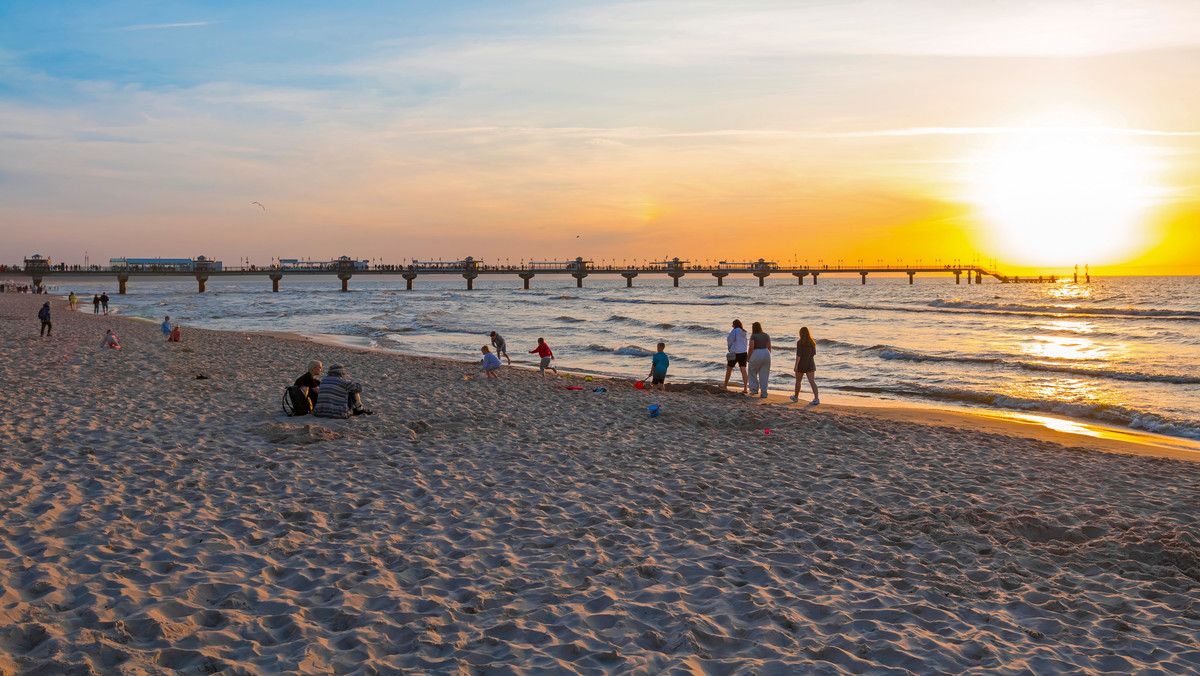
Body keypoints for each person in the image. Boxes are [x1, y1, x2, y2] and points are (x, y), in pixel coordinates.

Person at [790, 326, 820, 405]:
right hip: (810, 363)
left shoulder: (800, 342)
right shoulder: (812, 343)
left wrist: (796, 365)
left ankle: (796, 397)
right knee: (812, 381)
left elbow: (798, 355)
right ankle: (816, 398)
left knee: (798, 381)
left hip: (802, 364)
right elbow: (813, 354)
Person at [747, 321, 771, 398]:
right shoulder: (766, 335)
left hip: (756, 353)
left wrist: (748, 357)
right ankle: (764, 392)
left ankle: (754, 388)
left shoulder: (753, 336)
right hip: (766, 353)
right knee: (764, 374)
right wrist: (768, 354)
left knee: (751, 370)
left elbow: (751, 347)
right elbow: (769, 346)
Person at [724, 319, 749, 394]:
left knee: (729, 369)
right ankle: (745, 388)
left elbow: (729, 340)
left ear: (734, 325)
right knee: (743, 370)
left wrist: (729, 348)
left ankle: (725, 386)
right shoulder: (744, 332)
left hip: (735, 352)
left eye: (732, 325)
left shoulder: (735, 331)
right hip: (743, 352)